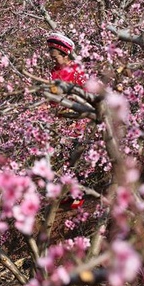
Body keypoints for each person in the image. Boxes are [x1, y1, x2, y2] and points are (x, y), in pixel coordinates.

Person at [46, 33, 87, 209]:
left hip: (77, 119)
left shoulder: (77, 71)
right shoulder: (53, 71)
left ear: (64, 54)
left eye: (54, 55)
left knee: (75, 156)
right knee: (65, 158)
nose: (51, 58)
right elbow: (52, 95)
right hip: (61, 119)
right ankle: (70, 193)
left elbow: (87, 95)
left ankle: (79, 194)